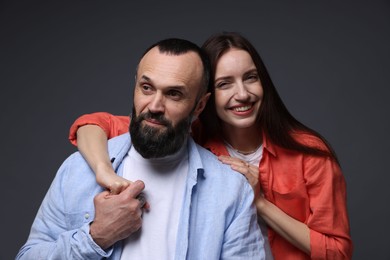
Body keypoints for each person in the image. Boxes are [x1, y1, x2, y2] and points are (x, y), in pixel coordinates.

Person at [68, 32, 353, 259]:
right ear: (202, 99)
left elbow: (336, 252)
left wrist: (259, 202)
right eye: (224, 84)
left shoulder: (308, 152)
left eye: (250, 78)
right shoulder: (191, 138)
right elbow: (93, 124)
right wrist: (104, 171)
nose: (242, 94)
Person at [16, 38, 265, 259]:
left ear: (199, 106)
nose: (155, 105)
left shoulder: (230, 191)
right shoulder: (77, 170)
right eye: (147, 88)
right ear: (136, 86)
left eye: (174, 94)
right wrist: (95, 237)